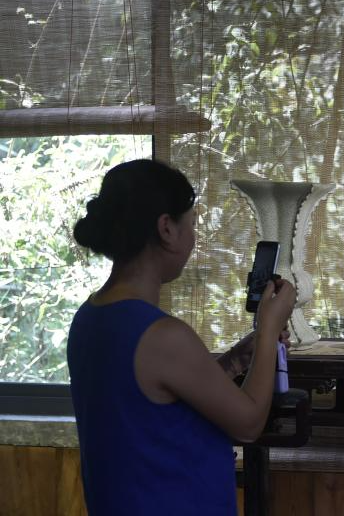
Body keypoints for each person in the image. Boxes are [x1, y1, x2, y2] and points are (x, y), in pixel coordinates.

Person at [67, 159, 297, 515]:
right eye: (190, 224)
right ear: (166, 229)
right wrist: (268, 330)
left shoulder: (89, 317)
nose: (193, 237)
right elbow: (249, 424)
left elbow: (155, 407)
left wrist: (235, 360)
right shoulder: (163, 336)